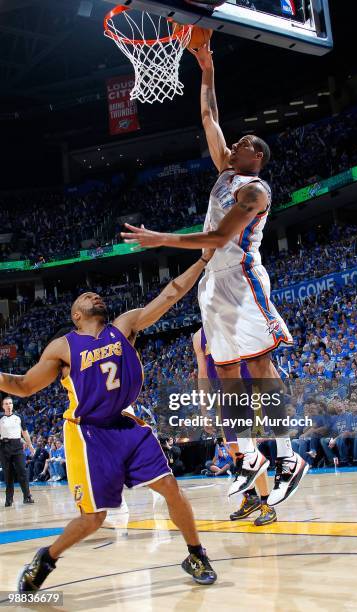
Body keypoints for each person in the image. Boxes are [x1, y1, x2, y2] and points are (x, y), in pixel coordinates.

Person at [122, 43, 308, 508]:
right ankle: (248, 456)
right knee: (224, 369)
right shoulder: (227, 171)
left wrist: (160, 238)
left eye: (244, 144)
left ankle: (287, 455)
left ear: (256, 158)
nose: (235, 144)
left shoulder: (255, 192)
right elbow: (209, 118)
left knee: (261, 366)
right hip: (213, 286)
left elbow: (218, 239)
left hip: (241, 280)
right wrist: (206, 68)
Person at [0, 252, 217, 592]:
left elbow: (170, 294)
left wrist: (203, 259)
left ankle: (196, 553)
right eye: (86, 297)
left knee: (171, 488)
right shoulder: (63, 346)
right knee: (94, 518)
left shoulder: (124, 326)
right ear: (76, 314)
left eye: (96, 295)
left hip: (126, 424)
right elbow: (24, 385)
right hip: (88, 433)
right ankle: (46, 558)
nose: (94, 296)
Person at [193, 328, 277, 525]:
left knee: (249, 449)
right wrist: (204, 410)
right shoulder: (198, 336)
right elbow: (203, 374)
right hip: (225, 395)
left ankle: (267, 504)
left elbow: (261, 356)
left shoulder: (235, 318)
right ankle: (251, 497)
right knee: (233, 450)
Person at [0, 396, 35, 507]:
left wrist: (30, 446)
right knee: (8, 474)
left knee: (22, 472)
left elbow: (25, 433)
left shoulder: (19, 417)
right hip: (4, 447)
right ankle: (9, 499)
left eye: (10, 403)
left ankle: (27, 497)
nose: (9, 405)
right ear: (3, 406)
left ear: (13, 405)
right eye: (6, 403)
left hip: (17, 447)